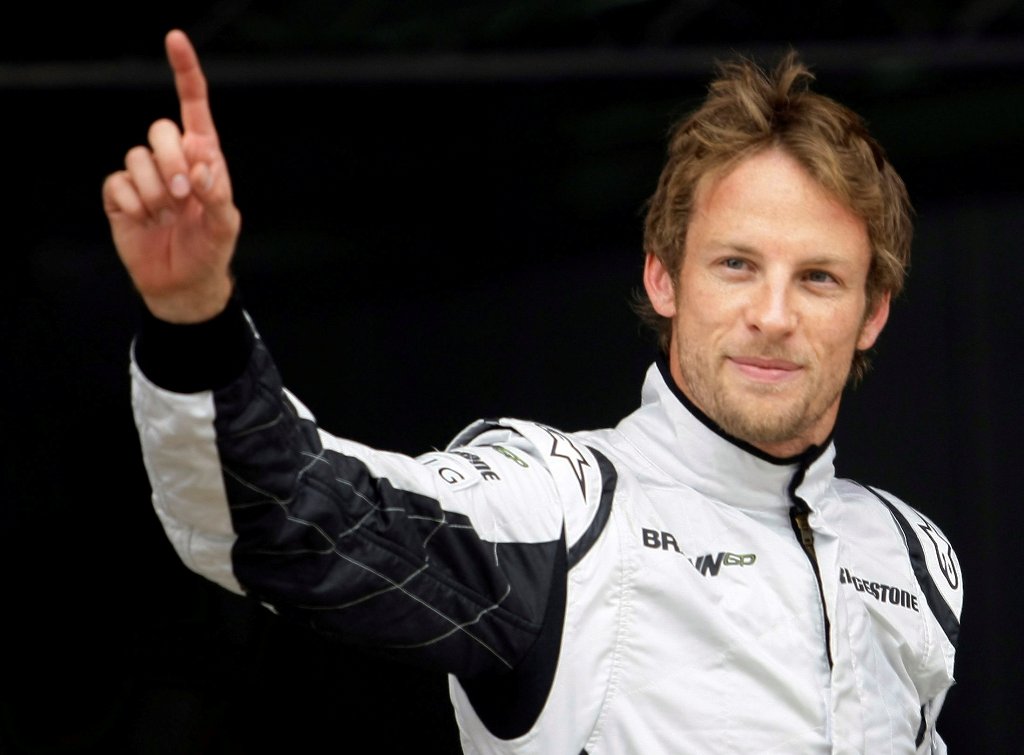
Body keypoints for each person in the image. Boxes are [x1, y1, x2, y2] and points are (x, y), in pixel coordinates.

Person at [105, 29, 963, 754]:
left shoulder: (915, 558)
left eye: (817, 278)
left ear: (873, 312)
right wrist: (193, 316)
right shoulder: (560, 507)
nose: (773, 315)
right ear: (664, 277)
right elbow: (289, 516)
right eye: (736, 264)